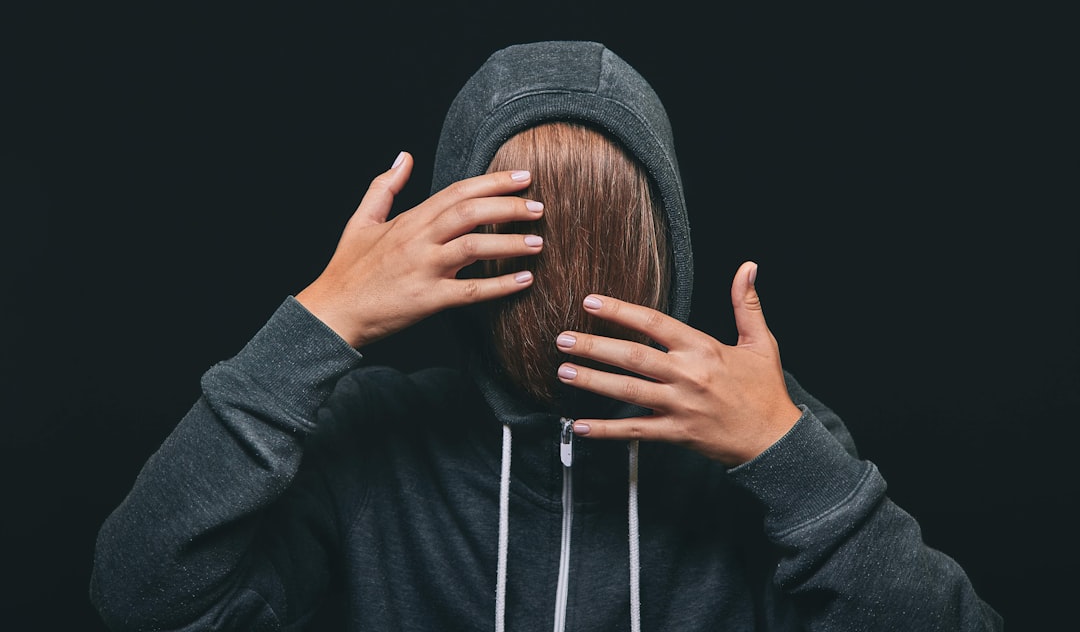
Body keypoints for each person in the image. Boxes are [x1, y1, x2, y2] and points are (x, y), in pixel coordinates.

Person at [89, 40, 1003, 631]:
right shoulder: (373, 444)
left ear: (665, 239)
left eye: (600, 224)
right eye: (529, 229)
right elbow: (138, 598)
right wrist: (320, 320)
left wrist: (787, 455)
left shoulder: (764, 446)